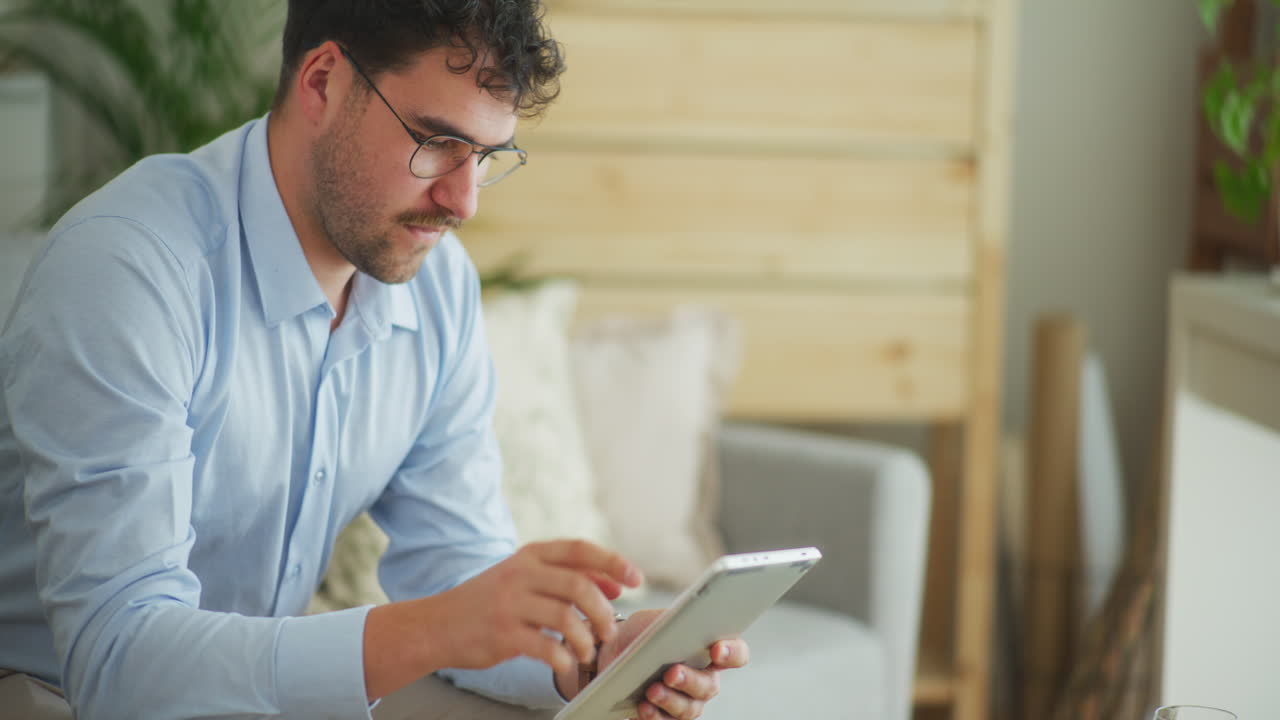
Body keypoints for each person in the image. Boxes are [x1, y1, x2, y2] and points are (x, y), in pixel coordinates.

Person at [0, 2, 749, 719]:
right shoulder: (131, 268)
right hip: (49, 693)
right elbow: (119, 666)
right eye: (436, 141)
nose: (463, 202)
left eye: (486, 157)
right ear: (323, 82)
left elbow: (460, 576)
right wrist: (436, 627)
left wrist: (595, 656)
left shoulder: (436, 287)